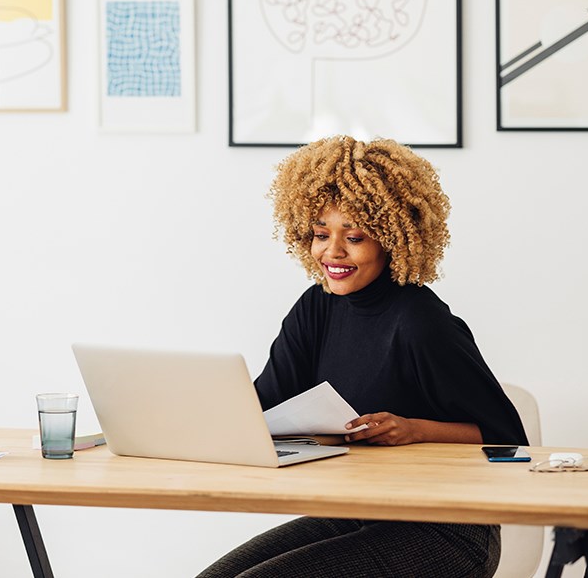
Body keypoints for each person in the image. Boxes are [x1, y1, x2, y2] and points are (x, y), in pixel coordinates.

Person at [197, 136, 528, 578]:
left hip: (447, 529)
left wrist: (414, 429)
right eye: (320, 234)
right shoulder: (316, 308)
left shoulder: (420, 322)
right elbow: (261, 406)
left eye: (354, 237)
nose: (332, 252)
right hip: (356, 512)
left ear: (393, 239)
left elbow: (509, 441)